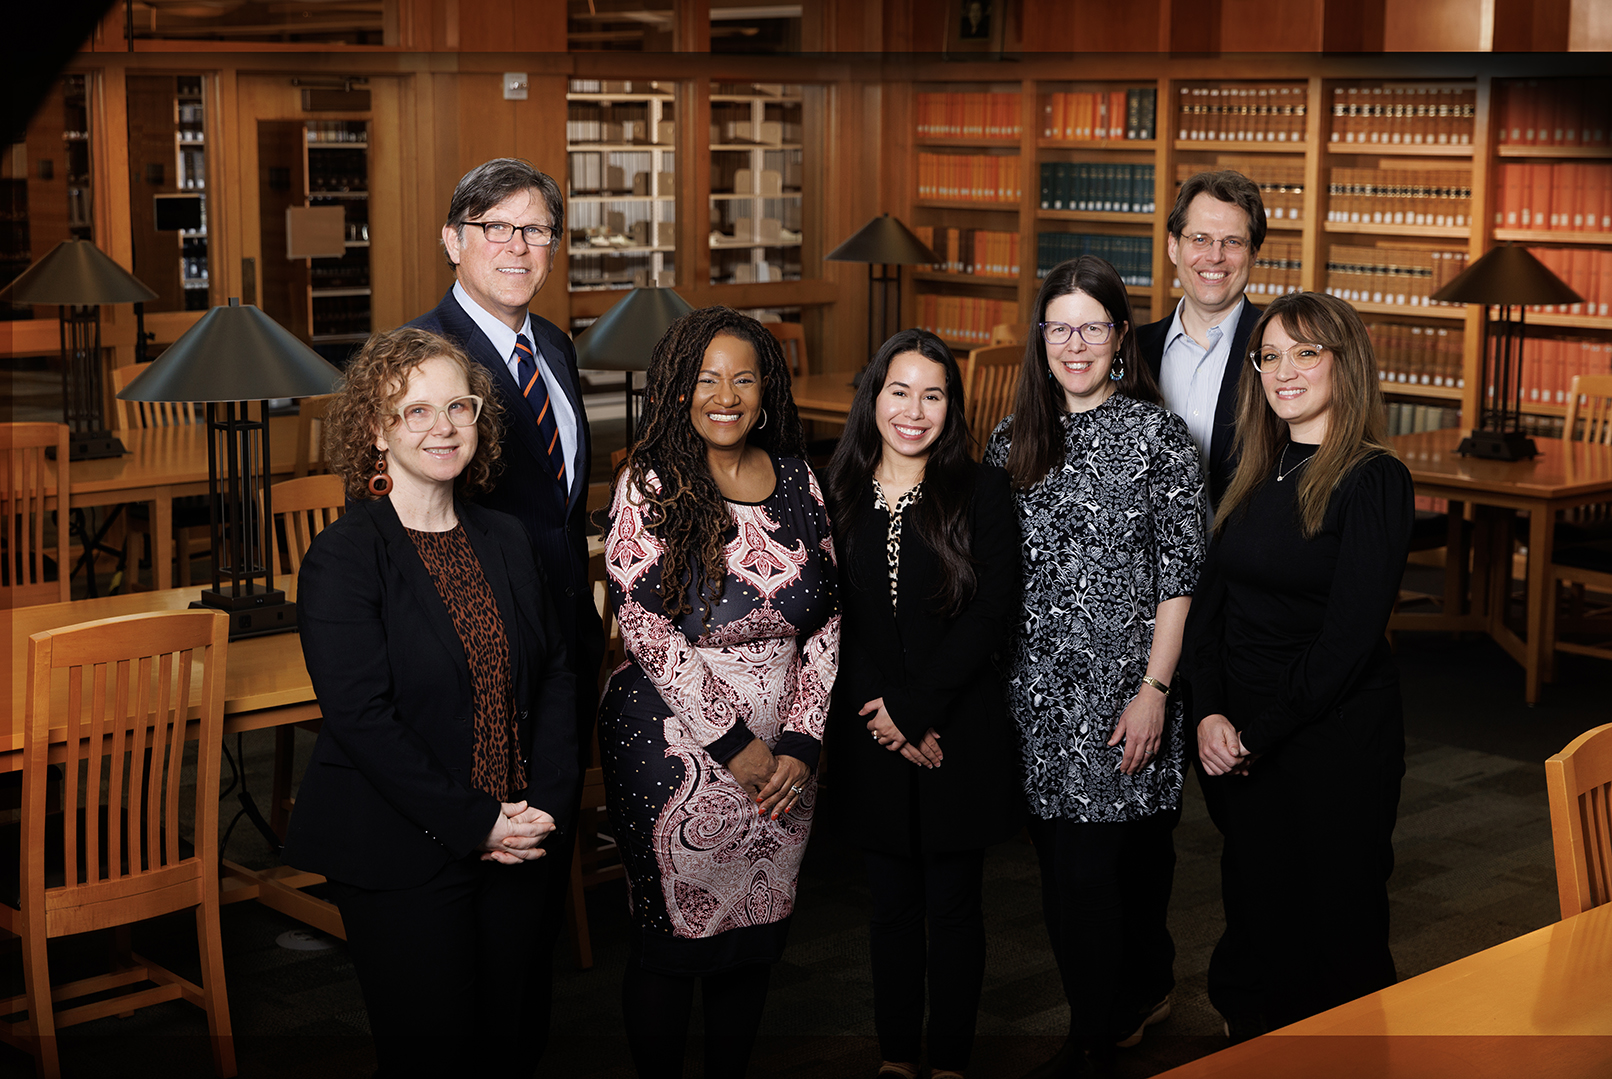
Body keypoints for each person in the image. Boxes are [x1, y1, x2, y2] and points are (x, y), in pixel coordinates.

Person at [284, 327, 580, 1078]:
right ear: (376, 430)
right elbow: (362, 719)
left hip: (521, 836)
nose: (443, 426)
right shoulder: (345, 556)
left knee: (515, 1039)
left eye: (458, 406)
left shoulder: (507, 537)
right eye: (415, 411)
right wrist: (474, 820)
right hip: (400, 847)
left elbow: (553, 677)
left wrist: (543, 804)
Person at [599, 306, 840, 1079]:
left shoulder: (800, 476)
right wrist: (736, 747)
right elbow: (644, 625)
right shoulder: (650, 483)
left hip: (787, 763)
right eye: (706, 379)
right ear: (678, 391)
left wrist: (801, 742)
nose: (725, 394)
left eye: (742, 377)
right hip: (672, 750)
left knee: (756, 933)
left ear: (765, 389)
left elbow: (830, 618)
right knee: (673, 946)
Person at [984, 257, 1206, 1078]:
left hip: (1127, 694)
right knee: (1066, 866)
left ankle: (1090, 1036)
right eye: (1060, 327)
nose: (1075, 344)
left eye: (1093, 326)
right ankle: (1129, 997)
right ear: (1040, 339)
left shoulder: (1157, 437)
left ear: (1120, 338)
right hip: (1038, 699)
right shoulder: (1013, 442)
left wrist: (1155, 690)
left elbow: (1180, 576)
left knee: (1102, 871)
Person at [1184, 291, 1413, 1039]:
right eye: (1270, 354)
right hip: (1242, 734)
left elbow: (1347, 642)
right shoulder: (1257, 466)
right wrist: (1211, 711)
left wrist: (1259, 731)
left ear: (1344, 362)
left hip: (1331, 739)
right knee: (1257, 911)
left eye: (1305, 352)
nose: (1284, 370)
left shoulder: (1373, 478)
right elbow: (1211, 606)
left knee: (1337, 924)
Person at [823, 329, 1023, 1079]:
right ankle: (897, 1054)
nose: (914, 409)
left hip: (956, 728)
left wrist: (919, 709)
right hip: (869, 725)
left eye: (933, 394)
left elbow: (991, 611)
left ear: (953, 406)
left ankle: (950, 1060)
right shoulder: (834, 490)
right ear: (874, 397)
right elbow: (830, 612)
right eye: (899, 391)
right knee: (890, 907)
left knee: (954, 904)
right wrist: (887, 713)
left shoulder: (984, 489)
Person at [407, 157, 604, 759]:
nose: (518, 247)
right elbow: (394, 523)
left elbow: (557, 502)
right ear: (453, 240)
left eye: (536, 231)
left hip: (569, 640)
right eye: (496, 227)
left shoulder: (553, 345)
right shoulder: (420, 356)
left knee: (557, 823)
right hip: (480, 650)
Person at [1136, 169, 1267, 510]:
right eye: (1200, 239)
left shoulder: (1277, 353)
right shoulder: (1132, 351)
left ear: (1253, 254)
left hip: (1237, 555)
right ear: (1173, 246)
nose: (1215, 256)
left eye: (1233, 242)